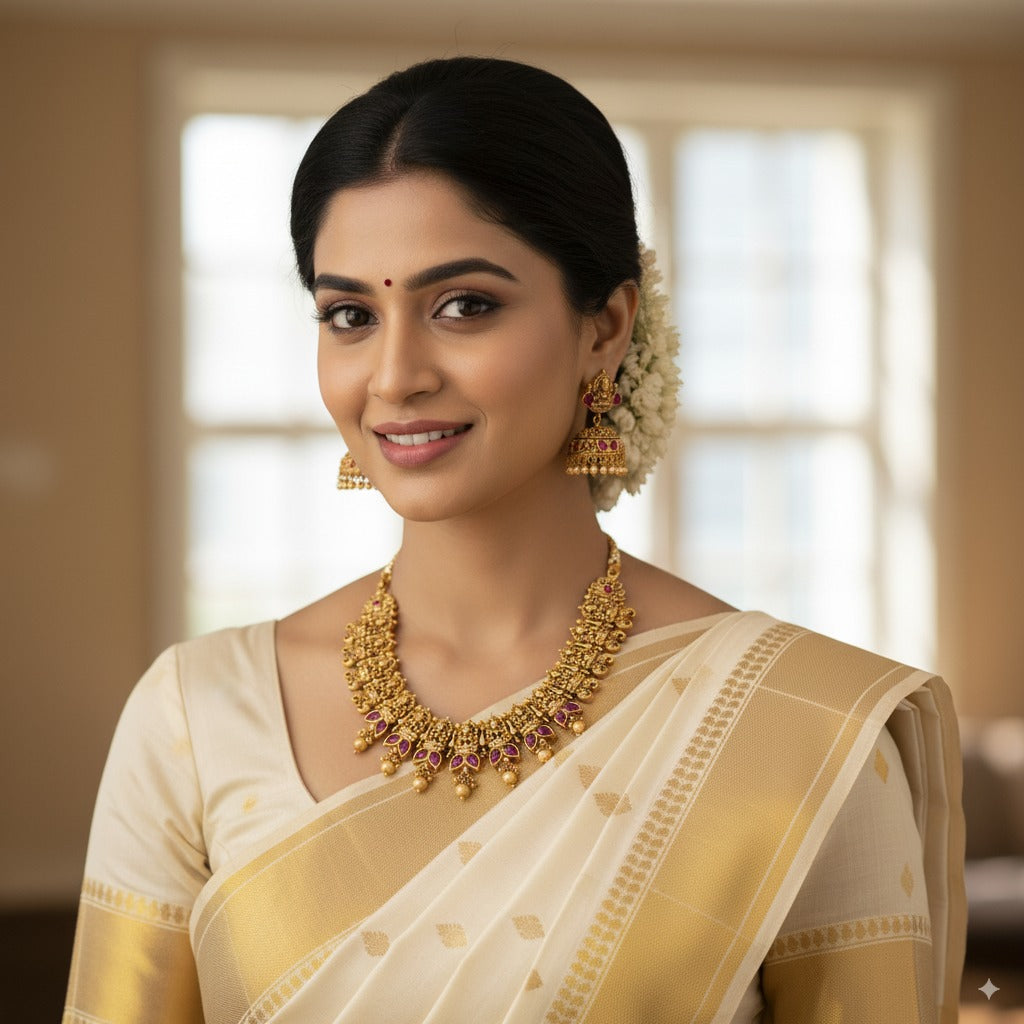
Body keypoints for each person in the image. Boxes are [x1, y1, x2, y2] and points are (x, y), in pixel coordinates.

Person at [64, 57, 965, 1024]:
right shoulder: (197, 718)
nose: (395, 375)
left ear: (606, 328)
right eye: (350, 316)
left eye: (465, 306)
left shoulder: (799, 727)